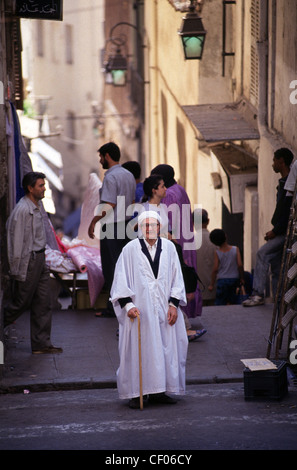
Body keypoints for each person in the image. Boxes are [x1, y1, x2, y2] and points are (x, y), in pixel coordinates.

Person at [110, 211, 188, 409]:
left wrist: (173, 305)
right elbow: (120, 280)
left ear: (159, 227)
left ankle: (161, 391)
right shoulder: (130, 250)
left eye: (153, 225)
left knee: (165, 348)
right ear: (140, 228)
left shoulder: (170, 248)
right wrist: (128, 306)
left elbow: (177, 278)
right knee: (141, 351)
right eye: (145, 225)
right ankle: (138, 394)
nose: (149, 229)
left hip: (165, 310)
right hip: (139, 312)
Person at [141, 175, 206, 341]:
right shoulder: (146, 210)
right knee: (163, 294)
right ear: (154, 190)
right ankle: (182, 329)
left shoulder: (162, 207)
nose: (165, 189)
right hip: (154, 258)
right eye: (162, 186)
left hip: (167, 255)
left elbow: (169, 233)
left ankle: (181, 328)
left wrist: (177, 252)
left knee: (167, 294)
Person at [4, 172, 63, 354]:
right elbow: (15, 243)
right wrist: (16, 271)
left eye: (44, 185)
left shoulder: (38, 206)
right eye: (40, 185)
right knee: (20, 303)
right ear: (30, 188)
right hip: (28, 261)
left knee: (43, 302)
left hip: (40, 258)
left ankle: (41, 344)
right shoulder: (22, 211)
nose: (44, 188)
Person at [88, 142, 136, 316]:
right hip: (127, 224)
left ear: (107, 156)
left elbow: (109, 203)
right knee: (125, 267)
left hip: (112, 226)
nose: (100, 160)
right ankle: (127, 304)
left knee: (112, 267)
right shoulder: (129, 175)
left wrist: (94, 221)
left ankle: (114, 308)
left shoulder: (110, 177)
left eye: (101, 156)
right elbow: (131, 202)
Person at [242, 147, 294, 306]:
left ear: (281, 161)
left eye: (274, 160)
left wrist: (275, 231)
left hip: (285, 232)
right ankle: (280, 297)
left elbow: (287, 212)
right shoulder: (284, 183)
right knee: (277, 266)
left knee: (262, 254)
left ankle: (258, 294)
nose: (272, 164)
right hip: (281, 231)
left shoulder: (289, 185)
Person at [150, 164, 202, 319]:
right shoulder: (180, 189)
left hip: (176, 240)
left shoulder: (168, 195)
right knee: (187, 272)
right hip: (187, 238)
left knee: (178, 274)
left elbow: (167, 223)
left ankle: (180, 317)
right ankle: (189, 312)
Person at [208, 229, 245, 305]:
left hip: (222, 280)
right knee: (234, 301)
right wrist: (242, 278)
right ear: (225, 236)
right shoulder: (235, 249)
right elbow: (240, 265)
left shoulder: (217, 252)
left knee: (220, 302)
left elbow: (215, 269)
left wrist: (211, 284)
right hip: (234, 279)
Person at [194, 208, 216, 306]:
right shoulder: (215, 239)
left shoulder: (189, 242)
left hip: (196, 290)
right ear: (208, 221)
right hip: (213, 288)